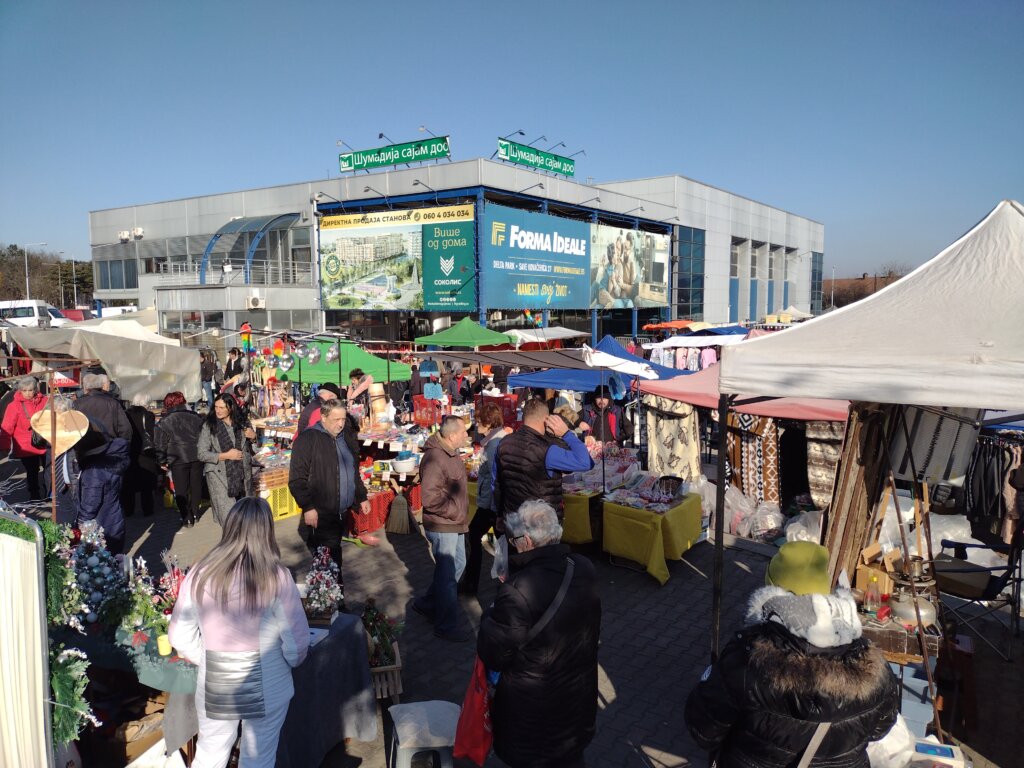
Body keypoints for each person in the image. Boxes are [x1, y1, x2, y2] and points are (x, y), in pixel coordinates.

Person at [684, 541, 901, 768]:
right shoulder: (871, 666)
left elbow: (704, 731)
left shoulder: (747, 660)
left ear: (770, 592)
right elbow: (880, 728)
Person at [168, 497, 310, 768]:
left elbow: (179, 636)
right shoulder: (277, 576)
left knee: (210, 754)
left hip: (217, 678)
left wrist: (207, 656)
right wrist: (289, 662)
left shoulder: (200, 572)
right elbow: (296, 643)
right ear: (267, 530)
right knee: (259, 757)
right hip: (268, 678)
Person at [478, 500, 601, 768]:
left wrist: (489, 614)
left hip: (534, 715)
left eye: (515, 539)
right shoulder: (584, 568)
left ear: (527, 542)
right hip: (577, 702)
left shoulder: (518, 589)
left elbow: (494, 653)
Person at [288, 399, 369, 603]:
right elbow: (296, 480)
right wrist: (308, 507)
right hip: (321, 511)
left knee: (332, 558)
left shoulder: (345, 438)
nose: (340, 424)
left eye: (343, 419)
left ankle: (327, 603)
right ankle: (334, 604)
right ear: (323, 417)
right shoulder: (308, 439)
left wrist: (361, 496)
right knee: (329, 559)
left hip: (341, 512)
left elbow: (353, 471)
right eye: (336, 419)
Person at [412, 415, 471, 641]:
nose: (467, 435)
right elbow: (429, 498)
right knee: (447, 576)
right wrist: (455, 512)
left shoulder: (450, 453)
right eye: (464, 432)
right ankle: (445, 625)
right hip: (443, 524)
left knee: (457, 566)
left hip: (453, 522)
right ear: (452, 435)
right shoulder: (436, 458)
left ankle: (427, 603)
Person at [494, 398, 593, 531]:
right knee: (542, 552)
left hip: (514, 520)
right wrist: (566, 434)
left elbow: (497, 483)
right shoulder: (547, 450)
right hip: (541, 525)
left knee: (517, 550)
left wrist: (499, 514)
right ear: (547, 419)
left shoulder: (504, 442)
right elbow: (586, 462)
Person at [74, 372, 133, 554]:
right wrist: (119, 448)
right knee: (110, 500)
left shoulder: (78, 404)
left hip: (85, 456)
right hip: (111, 457)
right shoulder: (113, 403)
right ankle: (110, 545)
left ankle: (96, 545)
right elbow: (126, 431)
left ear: (86, 387)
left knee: (90, 498)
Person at [460, 403, 510, 595]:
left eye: (479, 421)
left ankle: (474, 583)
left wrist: (495, 508)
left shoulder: (495, 444)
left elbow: (496, 478)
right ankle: (481, 582)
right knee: (490, 540)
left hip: (491, 504)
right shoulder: (493, 439)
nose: (476, 425)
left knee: (476, 536)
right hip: (491, 503)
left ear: (488, 422)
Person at [198, 393, 255, 525]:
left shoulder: (242, 421)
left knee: (245, 516)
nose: (218, 410)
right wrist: (225, 455)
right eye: (216, 407)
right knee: (229, 520)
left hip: (242, 474)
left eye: (222, 407)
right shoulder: (209, 425)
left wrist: (253, 437)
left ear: (231, 407)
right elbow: (201, 454)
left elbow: (255, 447)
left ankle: (244, 543)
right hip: (219, 477)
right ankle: (232, 544)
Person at [154, 391, 205, 528]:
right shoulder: (196, 416)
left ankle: (186, 517)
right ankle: (195, 513)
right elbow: (205, 436)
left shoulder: (164, 421)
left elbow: (160, 443)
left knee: (181, 489)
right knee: (196, 485)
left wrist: (161, 460)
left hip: (177, 457)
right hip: (197, 455)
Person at [1, 376, 50, 500]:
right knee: (32, 472)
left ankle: (49, 493)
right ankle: (35, 495)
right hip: (25, 445)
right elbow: (7, 427)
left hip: (45, 441)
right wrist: (5, 445)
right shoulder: (14, 405)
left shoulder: (45, 401)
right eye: (24, 390)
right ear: (20, 390)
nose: (28, 393)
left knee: (48, 470)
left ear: (35, 389)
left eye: (30, 390)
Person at [121, 395, 159, 518]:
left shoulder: (125, 414)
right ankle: (147, 510)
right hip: (145, 453)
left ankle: (128, 510)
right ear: (146, 404)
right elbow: (151, 433)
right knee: (146, 485)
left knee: (128, 484)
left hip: (130, 451)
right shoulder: (148, 415)